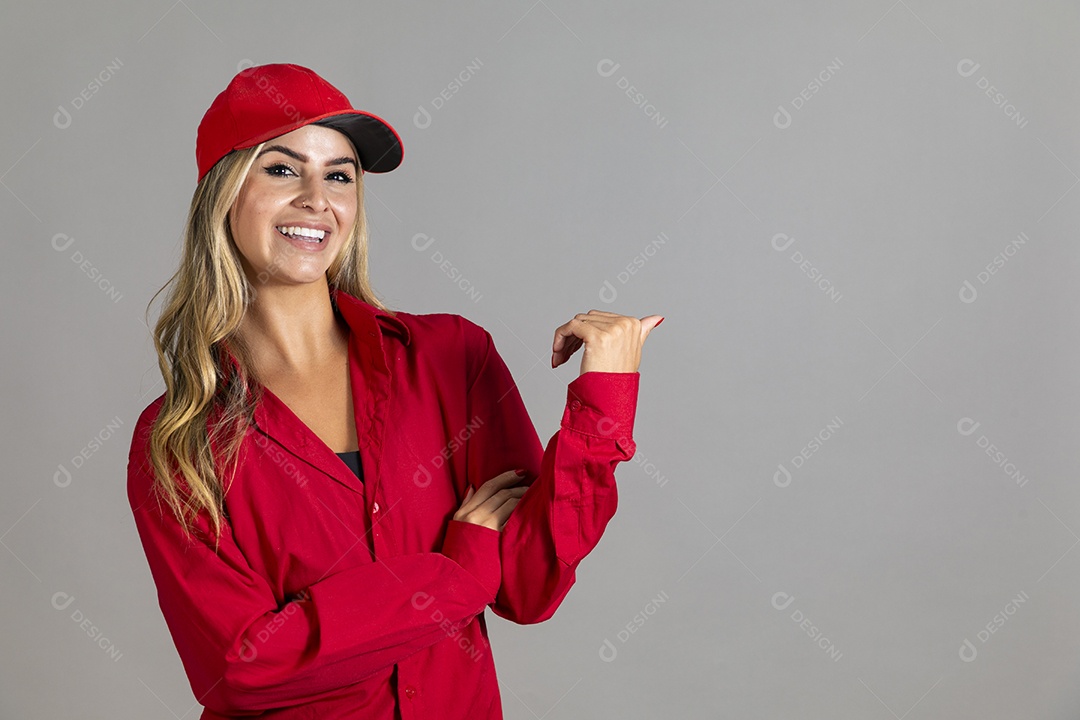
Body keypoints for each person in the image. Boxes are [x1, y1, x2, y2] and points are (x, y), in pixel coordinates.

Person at [126, 62, 662, 720]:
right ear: (223, 194)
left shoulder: (450, 360)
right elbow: (246, 668)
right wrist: (451, 578)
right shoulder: (181, 441)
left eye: (339, 176)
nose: (316, 198)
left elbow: (528, 585)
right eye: (282, 168)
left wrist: (601, 402)